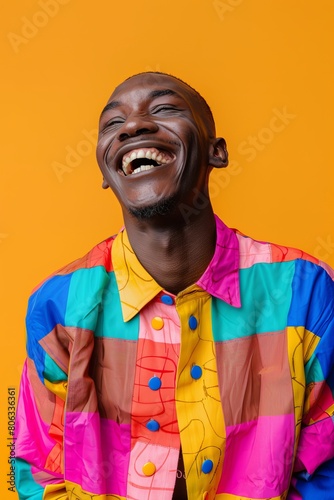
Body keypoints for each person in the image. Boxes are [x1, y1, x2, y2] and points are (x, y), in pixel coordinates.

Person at [15, 72, 334, 500]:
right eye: (113, 123)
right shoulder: (58, 306)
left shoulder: (305, 291)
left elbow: (325, 470)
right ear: (106, 171)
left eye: (164, 109)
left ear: (216, 152)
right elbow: (38, 472)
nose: (133, 126)